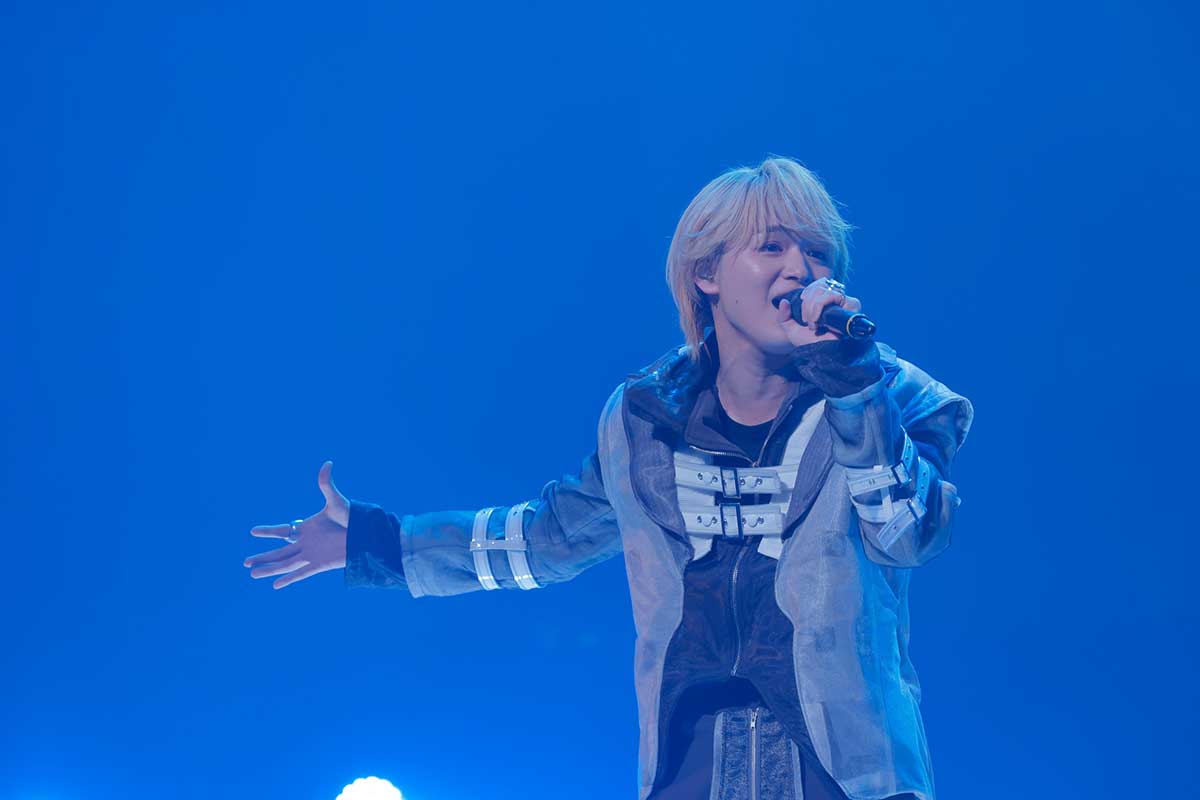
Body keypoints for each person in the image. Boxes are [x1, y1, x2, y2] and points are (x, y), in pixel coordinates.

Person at [243, 156, 974, 800]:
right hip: (691, 769)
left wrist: (855, 391)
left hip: (848, 774)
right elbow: (550, 539)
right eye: (772, 246)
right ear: (706, 274)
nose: (800, 269)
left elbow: (908, 535)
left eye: (817, 251)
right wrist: (377, 543)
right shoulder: (644, 421)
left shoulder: (892, 396)